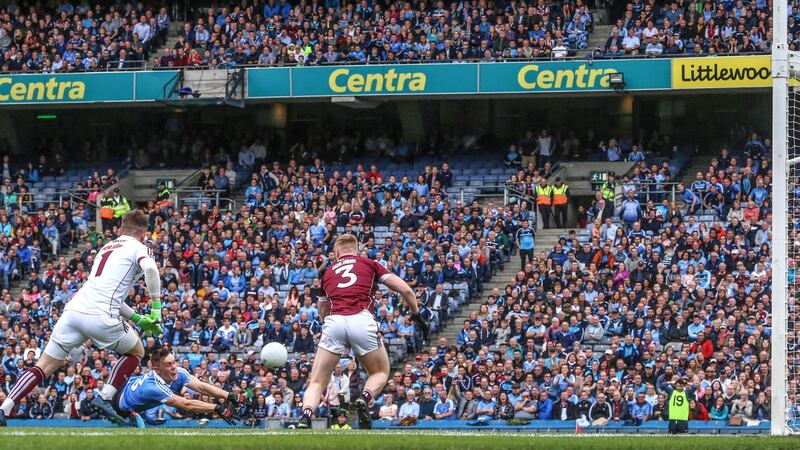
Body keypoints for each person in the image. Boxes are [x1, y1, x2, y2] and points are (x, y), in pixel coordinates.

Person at [0, 210, 162, 426]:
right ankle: (104, 398)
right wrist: (156, 309)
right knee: (137, 351)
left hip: (74, 311)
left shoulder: (106, 248)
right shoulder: (139, 248)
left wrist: (139, 319)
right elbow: (151, 268)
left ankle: (4, 408)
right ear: (144, 234)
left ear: (121, 229)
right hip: (100, 315)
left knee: (43, 365)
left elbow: (106, 292)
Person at [298, 234, 427, 430]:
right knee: (380, 372)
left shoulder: (328, 272)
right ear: (357, 250)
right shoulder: (370, 263)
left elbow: (322, 308)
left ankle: (305, 417)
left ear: (337, 253)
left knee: (317, 381)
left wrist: (331, 330)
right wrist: (416, 314)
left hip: (334, 322)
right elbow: (406, 290)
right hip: (362, 319)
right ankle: (365, 398)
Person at [115, 348, 238, 427]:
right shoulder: (153, 387)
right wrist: (217, 408)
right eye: (168, 364)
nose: (174, 367)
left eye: (174, 362)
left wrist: (230, 395)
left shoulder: (177, 371)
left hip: (130, 394)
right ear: (157, 370)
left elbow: (201, 387)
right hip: (116, 403)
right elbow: (186, 404)